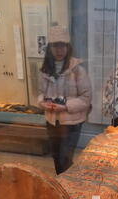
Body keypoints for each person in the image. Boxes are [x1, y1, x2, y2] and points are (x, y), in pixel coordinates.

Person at [38, 25, 92, 174]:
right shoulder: (45, 69)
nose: (59, 50)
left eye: (63, 45)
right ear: (50, 48)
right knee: (56, 157)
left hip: (71, 122)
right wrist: (42, 102)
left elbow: (86, 98)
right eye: (55, 45)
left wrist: (66, 106)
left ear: (68, 47)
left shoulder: (78, 70)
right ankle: (63, 187)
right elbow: (41, 93)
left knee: (64, 158)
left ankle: (67, 189)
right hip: (52, 121)